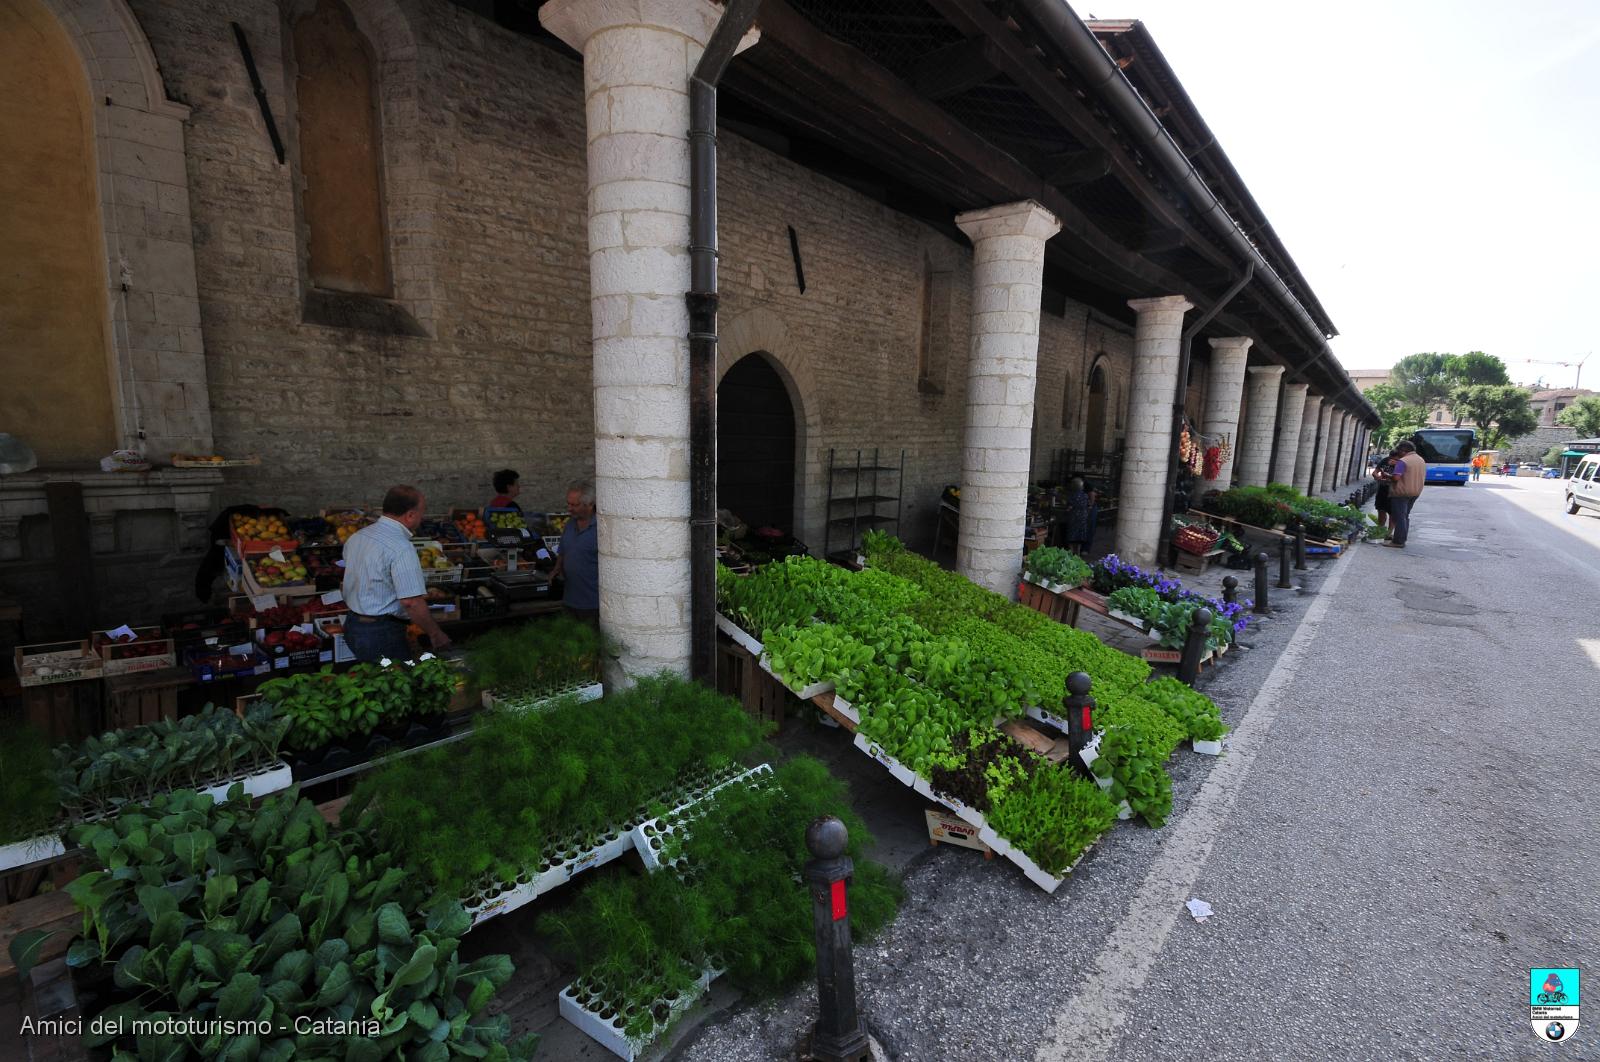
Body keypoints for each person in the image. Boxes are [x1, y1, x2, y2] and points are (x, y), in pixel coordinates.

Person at [340, 485, 452, 661]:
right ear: (410, 515)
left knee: (374, 682)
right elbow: (411, 602)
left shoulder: (358, 537)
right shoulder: (401, 548)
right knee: (394, 684)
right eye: (421, 513)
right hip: (381, 633)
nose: (422, 518)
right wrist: (435, 633)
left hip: (353, 625)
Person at [552, 479, 599, 626]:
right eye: (568, 503)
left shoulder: (602, 529)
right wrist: (556, 568)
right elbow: (563, 551)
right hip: (569, 600)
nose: (569, 508)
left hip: (592, 604)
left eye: (575, 505)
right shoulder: (570, 524)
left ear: (590, 505)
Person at [1376, 441, 1426, 548]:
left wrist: (1387, 475)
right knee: (1405, 516)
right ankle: (1402, 538)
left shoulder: (1403, 461)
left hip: (1402, 492)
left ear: (1404, 451)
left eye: (1399, 451)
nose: (1398, 454)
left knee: (1399, 517)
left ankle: (1398, 541)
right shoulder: (1420, 459)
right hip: (1415, 491)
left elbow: (1396, 478)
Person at [1371, 448, 1400, 529]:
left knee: (1392, 511)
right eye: (1390, 458)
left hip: (1393, 490)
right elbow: (1375, 472)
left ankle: (1389, 532)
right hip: (1382, 488)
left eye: (1394, 459)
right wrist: (1377, 476)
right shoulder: (1385, 460)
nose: (1391, 460)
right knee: (1380, 509)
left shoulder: (1401, 464)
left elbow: (1398, 478)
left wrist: (1388, 476)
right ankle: (1380, 528)